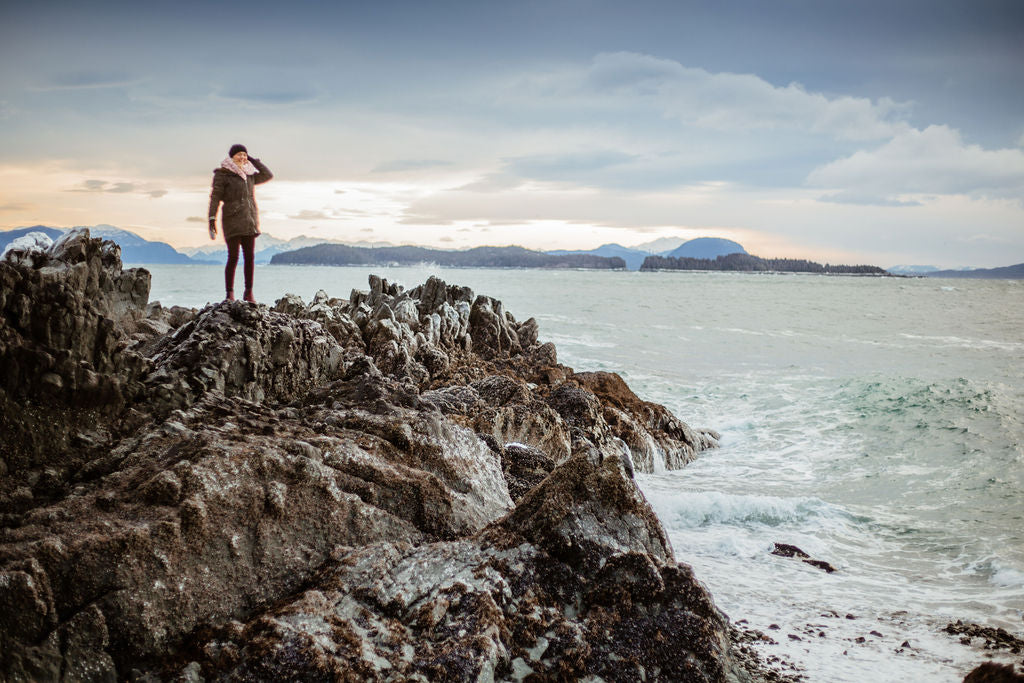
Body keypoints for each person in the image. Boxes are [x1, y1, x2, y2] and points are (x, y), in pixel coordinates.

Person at [208, 144, 273, 302]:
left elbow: (267, 175)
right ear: (231, 157)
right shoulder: (223, 174)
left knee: (250, 257)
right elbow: (215, 197)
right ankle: (229, 293)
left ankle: (248, 292)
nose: (242, 157)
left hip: (249, 221)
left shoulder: (250, 174)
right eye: (239, 155)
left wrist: (253, 160)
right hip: (232, 220)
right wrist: (212, 218)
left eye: (244, 155)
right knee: (233, 257)